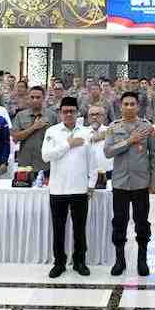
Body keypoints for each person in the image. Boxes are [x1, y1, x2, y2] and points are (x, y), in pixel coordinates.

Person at [104, 91, 155, 277]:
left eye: (132, 104)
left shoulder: (147, 127)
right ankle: (119, 260)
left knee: (142, 222)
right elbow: (108, 152)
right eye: (126, 104)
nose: (129, 107)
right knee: (119, 222)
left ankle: (142, 260)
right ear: (120, 107)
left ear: (138, 107)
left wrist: (154, 181)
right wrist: (129, 141)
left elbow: (154, 155)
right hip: (120, 183)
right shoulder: (113, 127)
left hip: (141, 183)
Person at [42, 96, 98, 278]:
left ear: (77, 113)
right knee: (58, 228)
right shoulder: (52, 131)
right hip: (58, 189)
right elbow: (46, 156)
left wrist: (91, 184)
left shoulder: (86, 132)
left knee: (79, 228)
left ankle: (80, 261)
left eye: (71, 111)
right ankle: (59, 262)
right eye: (65, 111)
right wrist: (68, 144)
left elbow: (92, 161)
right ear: (60, 113)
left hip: (79, 189)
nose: (68, 114)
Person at [12, 86, 57, 173]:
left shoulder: (52, 116)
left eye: (38, 97)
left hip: (45, 163)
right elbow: (15, 138)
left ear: (44, 98)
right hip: (25, 163)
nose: (35, 100)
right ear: (28, 98)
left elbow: (57, 139)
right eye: (32, 97)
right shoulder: (20, 115)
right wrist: (34, 127)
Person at [80, 105, 112, 180]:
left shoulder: (111, 131)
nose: (94, 117)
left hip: (109, 176)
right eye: (91, 115)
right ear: (88, 118)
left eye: (98, 114)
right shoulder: (81, 133)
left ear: (104, 117)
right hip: (87, 177)